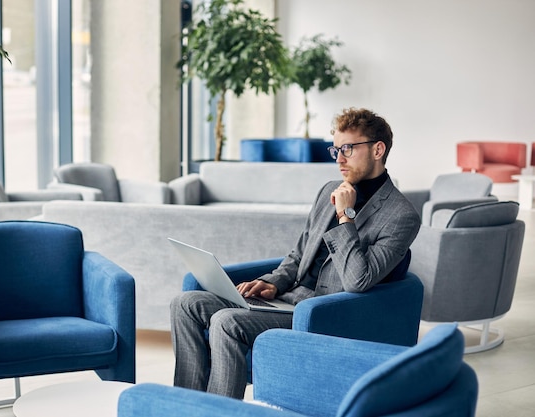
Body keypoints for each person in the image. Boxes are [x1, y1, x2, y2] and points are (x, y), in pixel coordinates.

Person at [170, 107, 421, 399]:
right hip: (286, 300)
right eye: (336, 149)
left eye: (349, 149)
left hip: (322, 313)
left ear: (378, 149)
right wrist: (273, 282)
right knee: (185, 304)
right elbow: (299, 254)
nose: (339, 159)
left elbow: (358, 280)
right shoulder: (329, 189)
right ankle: (187, 405)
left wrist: (346, 217)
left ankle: (220, 411)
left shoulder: (401, 215)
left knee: (227, 321)